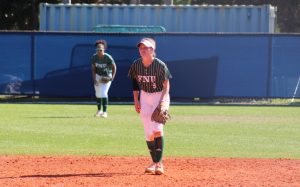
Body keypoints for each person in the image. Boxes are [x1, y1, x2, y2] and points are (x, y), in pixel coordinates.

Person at [128, 37, 172, 175]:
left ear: (152, 50)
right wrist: (136, 100)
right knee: (148, 132)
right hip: (145, 96)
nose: (142, 50)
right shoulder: (136, 64)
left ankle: (159, 164)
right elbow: (135, 83)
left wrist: (163, 102)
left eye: (145, 48)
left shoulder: (160, 65)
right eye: (140, 48)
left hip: (159, 95)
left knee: (157, 129)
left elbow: (166, 85)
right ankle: (154, 162)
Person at [91, 39, 117, 118]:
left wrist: (112, 77)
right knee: (98, 94)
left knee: (104, 93)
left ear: (104, 49)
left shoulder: (108, 57)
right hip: (98, 76)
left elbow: (114, 67)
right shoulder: (94, 57)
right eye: (97, 49)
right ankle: (99, 111)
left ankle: (105, 112)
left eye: (101, 49)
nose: (99, 51)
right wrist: (95, 79)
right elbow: (93, 69)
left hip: (107, 76)